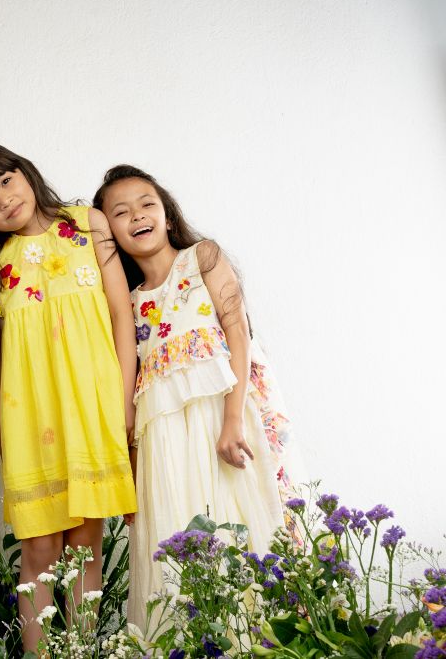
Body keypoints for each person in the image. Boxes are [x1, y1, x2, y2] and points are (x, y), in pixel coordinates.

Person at [0, 143, 137, 652]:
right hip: (28, 414)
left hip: (91, 405)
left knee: (85, 546)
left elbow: (122, 315)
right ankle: (38, 652)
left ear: (25, 173)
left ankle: (80, 648)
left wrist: (122, 402)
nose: (4, 200)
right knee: (39, 546)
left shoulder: (88, 223)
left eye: (6, 181)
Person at [94, 164, 292, 630]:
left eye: (147, 204)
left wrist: (232, 423)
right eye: (120, 212)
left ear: (166, 212)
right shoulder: (127, 301)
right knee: (175, 543)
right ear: (109, 231)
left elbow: (238, 334)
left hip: (218, 425)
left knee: (234, 534)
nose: (137, 216)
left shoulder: (201, 258)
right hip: (164, 443)